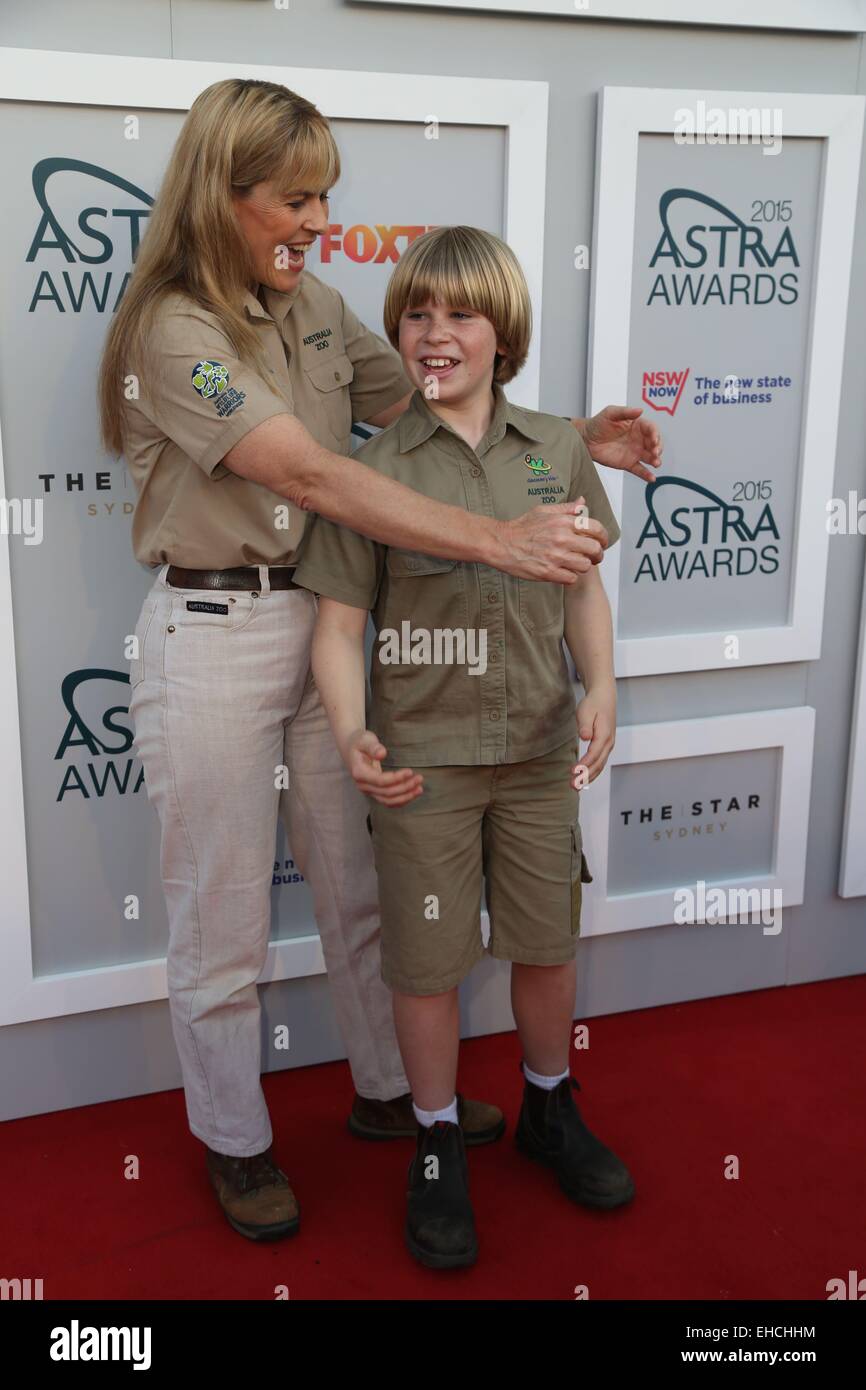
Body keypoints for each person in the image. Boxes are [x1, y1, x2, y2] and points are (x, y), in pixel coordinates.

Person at [97, 77, 659, 1244]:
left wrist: (557, 441)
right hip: (216, 634)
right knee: (221, 920)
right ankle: (234, 1140)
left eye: (324, 199)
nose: (316, 222)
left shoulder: (314, 304)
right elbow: (304, 470)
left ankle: (395, 1096)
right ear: (225, 192)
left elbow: (432, 397)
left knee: (364, 889)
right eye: (295, 199)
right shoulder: (174, 328)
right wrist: (498, 537)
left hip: (334, 622)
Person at [294, 225, 632, 1269]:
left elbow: (579, 584)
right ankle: (435, 1140)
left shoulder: (555, 449)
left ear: (503, 332)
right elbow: (340, 627)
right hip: (421, 766)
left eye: (460, 315)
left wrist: (603, 685)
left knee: (545, 941)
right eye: (415, 314)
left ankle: (545, 1106)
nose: (433, 335)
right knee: (428, 962)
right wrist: (350, 725)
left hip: (536, 754)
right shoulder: (372, 471)